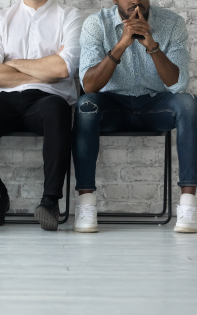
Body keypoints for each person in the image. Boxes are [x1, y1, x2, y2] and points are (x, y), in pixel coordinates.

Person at [72, 0, 197, 233]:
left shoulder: (172, 23)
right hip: (113, 105)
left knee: (188, 104)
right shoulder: (96, 24)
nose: (135, 1)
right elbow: (89, 85)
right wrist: (121, 44)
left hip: (155, 104)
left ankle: (189, 205)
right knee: (86, 105)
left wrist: (152, 46)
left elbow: (178, 84)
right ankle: (86, 204)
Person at [0, 0, 83, 230]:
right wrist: (44, 70)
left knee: (58, 112)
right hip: (5, 99)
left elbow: (63, 69)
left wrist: (11, 64)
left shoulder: (70, 16)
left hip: (49, 98)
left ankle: (50, 202)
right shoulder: (0, 19)